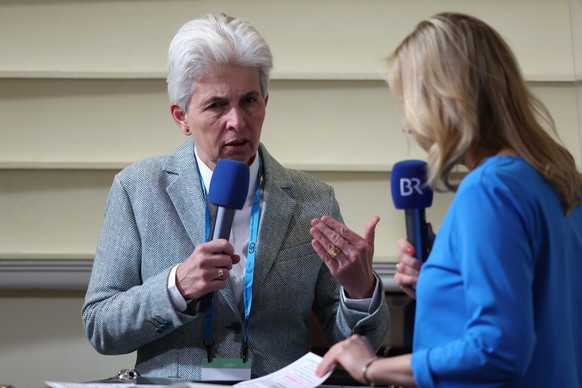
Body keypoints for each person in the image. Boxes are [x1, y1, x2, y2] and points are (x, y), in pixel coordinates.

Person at [81, 13, 389, 382]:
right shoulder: (138, 189)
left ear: (265, 102)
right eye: (216, 106)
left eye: (249, 101)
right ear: (181, 116)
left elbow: (354, 345)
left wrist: (359, 291)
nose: (237, 122)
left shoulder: (314, 200)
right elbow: (101, 326)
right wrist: (175, 288)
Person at [313, 12, 582, 387]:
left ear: (443, 99)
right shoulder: (560, 181)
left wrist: (370, 366)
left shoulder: (488, 189)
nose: (406, 125)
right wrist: (445, 283)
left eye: (407, 103)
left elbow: (499, 350)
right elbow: (542, 313)